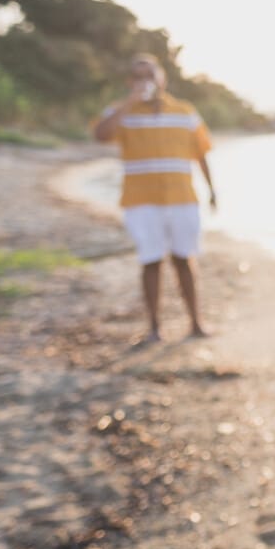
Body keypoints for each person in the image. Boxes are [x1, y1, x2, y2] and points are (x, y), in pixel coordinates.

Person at [93, 53, 217, 344]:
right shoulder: (121, 111)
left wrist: (212, 191)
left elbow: (201, 153)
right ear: (130, 82)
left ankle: (196, 323)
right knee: (151, 261)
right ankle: (154, 328)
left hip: (182, 197)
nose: (145, 81)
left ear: (162, 77)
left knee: (185, 259)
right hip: (141, 200)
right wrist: (128, 103)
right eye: (138, 76)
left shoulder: (185, 111)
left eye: (150, 74)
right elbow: (101, 134)